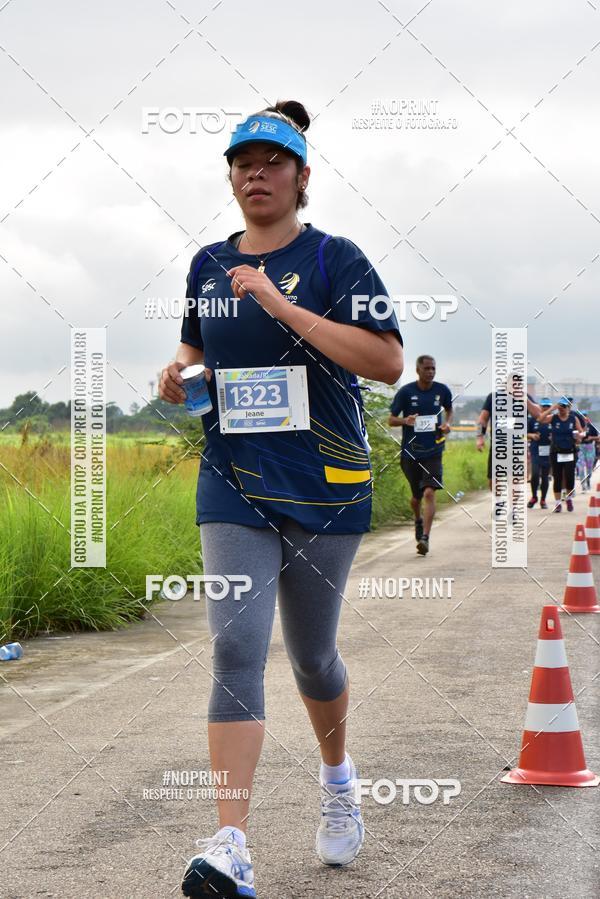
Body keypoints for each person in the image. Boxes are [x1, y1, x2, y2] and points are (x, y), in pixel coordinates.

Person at [158, 99, 403, 899]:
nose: (254, 174)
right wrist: (177, 373)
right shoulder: (205, 263)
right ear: (231, 177)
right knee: (235, 648)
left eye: (271, 162)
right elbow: (199, 349)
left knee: (311, 654)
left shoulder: (339, 259)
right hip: (232, 478)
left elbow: (386, 361)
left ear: (303, 177)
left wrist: (279, 302)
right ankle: (231, 841)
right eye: (242, 163)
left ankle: (337, 777)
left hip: (326, 482)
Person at [388, 355, 452, 555]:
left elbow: (449, 409)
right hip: (410, 452)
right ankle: (418, 519)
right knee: (416, 497)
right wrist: (405, 421)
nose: (431, 372)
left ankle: (425, 537)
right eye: (427, 369)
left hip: (434, 450)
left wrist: (447, 423)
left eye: (433, 368)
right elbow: (390, 419)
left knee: (429, 492)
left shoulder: (442, 390)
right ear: (418, 370)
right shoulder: (406, 392)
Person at [476, 386, 541, 492]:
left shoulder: (525, 397)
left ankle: (513, 506)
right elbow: (482, 419)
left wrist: (525, 399)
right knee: (493, 479)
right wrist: (479, 437)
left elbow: (538, 415)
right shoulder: (493, 397)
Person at [538, 397, 586, 512]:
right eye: (560, 406)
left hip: (570, 451)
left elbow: (582, 431)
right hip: (556, 451)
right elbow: (540, 419)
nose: (561, 409)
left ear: (568, 407)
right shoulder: (553, 418)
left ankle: (569, 499)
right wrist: (552, 408)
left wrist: (579, 436)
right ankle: (558, 503)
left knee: (570, 477)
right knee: (557, 477)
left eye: (564, 406)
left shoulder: (573, 419)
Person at [527, 397, 552, 508]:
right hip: (535, 449)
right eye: (544, 406)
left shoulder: (553, 419)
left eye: (548, 406)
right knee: (535, 474)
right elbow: (522, 435)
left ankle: (543, 500)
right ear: (540, 407)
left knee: (545, 476)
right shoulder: (532, 419)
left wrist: (553, 437)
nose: (546, 408)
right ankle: (534, 497)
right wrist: (532, 435)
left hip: (548, 450)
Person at [577, 410, 599, 491]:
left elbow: (598, 437)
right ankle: (583, 484)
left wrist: (591, 438)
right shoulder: (577, 426)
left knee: (589, 466)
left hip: (590, 447)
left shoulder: (591, 426)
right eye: (582, 416)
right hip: (581, 447)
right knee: (581, 466)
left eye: (585, 416)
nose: (584, 417)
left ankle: (588, 480)